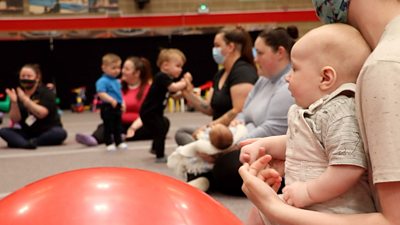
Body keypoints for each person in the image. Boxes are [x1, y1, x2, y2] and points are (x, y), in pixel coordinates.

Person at [239, 1, 400, 224]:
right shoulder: (316, 109)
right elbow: (311, 138)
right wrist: (267, 146)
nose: (288, 76)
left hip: (334, 210)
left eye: (294, 69)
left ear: (326, 78)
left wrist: (278, 205)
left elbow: (349, 165)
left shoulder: (349, 99)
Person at [181, 26, 297, 196]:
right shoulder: (263, 80)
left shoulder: (287, 85)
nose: (255, 59)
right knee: (186, 135)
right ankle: (206, 169)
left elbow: (270, 129)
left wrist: (229, 147)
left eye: (260, 53)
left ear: (280, 52)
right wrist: (235, 125)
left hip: (261, 146)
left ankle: (206, 173)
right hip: (238, 136)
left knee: (227, 165)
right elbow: (243, 111)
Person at [175, 26, 258, 146]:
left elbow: (238, 110)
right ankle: (206, 154)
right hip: (216, 131)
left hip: (232, 133)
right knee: (182, 133)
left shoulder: (243, 71)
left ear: (230, 47)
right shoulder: (220, 74)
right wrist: (187, 92)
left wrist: (208, 127)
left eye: (217, 45)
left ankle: (210, 156)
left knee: (188, 137)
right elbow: (209, 108)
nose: (214, 49)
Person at [75, 56, 154, 146]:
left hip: (139, 124)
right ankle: (94, 139)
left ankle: (122, 137)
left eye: (126, 69)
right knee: (106, 126)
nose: (122, 71)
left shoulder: (148, 89)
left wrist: (133, 127)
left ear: (137, 73)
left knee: (157, 124)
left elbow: (147, 113)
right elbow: (104, 95)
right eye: (122, 68)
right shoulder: (116, 84)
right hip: (119, 122)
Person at [140, 48, 190, 163]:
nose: (180, 69)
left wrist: (183, 94)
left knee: (165, 123)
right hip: (149, 112)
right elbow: (173, 88)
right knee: (160, 128)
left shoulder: (167, 80)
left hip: (156, 113)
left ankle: (154, 147)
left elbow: (173, 94)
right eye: (178, 66)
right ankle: (160, 155)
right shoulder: (161, 77)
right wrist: (185, 82)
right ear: (166, 66)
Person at [0, 64, 67, 149]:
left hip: (47, 130)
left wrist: (25, 100)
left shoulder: (46, 93)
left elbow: (42, 113)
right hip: (27, 132)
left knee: (60, 133)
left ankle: (31, 142)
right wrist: (14, 103)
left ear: (37, 78)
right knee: (4, 131)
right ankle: (25, 144)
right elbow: (15, 119)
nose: (25, 78)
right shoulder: (18, 93)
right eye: (23, 76)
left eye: (29, 76)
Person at [167, 123, 247, 190]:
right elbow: (241, 129)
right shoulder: (237, 134)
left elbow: (197, 136)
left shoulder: (204, 141)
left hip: (210, 166)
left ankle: (201, 181)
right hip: (219, 165)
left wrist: (201, 132)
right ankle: (203, 181)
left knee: (195, 165)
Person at [95, 53, 127, 151]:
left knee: (118, 125)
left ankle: (119, 142)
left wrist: (123, 103)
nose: (117, 70)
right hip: (107, 107)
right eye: (113, 68)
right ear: (104, 68)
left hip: (117, 106)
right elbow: (101, 93)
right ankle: (108, 142)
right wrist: (111, 100)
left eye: (118, 68)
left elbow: (119, 93)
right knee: (108, 125)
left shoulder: (117, 81)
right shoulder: (102, 81)